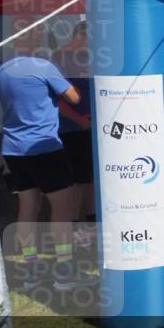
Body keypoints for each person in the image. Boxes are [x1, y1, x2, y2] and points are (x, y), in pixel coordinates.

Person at [0, 22, 95, 290]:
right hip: (44, 147)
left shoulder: (3, 67)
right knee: (62, 207)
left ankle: (31, 271)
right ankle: (64, 270)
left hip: (13, 148)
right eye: (39, 33)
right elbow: (73, 97)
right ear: (33, 37)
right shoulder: (43, 66)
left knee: (28, 206)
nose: (42, 38)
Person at [51, 22, 96, 238]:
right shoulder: (60, 58)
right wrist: (78, 119)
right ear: (80, 36)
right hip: (72, 128)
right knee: (78, 180)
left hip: (90, 127)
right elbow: (58, 98)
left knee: (90, 177)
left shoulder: (88, 57)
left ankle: (92, 221)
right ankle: (75, 226)